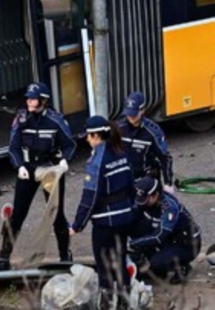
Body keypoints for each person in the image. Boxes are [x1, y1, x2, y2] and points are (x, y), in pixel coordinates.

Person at [0, 82, 77, 263]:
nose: (29, 101)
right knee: (18, 213)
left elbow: (69, 145)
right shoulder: (21, 119)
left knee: (56, 213)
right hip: (28, 169)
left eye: (33, 99)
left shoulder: (56, 120)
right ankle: (4, 255)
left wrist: (65, 160)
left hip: (51, 170)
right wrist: (19, 166)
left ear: (43, 100)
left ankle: (65, 255)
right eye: (28, 98)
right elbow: (13, 146)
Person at [69, 116, 134, 301]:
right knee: (121, 260)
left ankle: (106, 303)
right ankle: (125, 303)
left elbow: (90, 198)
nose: (87, 140)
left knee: (104, 265)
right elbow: (132, 188)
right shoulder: (121, 154)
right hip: (124, 217)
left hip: (105, 222)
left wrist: (77, 225)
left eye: (89, 136)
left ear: (96, 136)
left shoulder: (96, 161)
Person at [129, 177, 200, 284]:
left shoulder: (170, 206)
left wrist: (133, 243)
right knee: (134, 228)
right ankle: (158, 271)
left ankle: (182, 267)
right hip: (170, 238)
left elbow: (159, 236)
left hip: (186, 244)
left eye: (146, 199)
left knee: (157, 262)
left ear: (156, 194)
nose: (142, 203)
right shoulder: (148, 203)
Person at [117, 92, 174, 187]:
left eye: (134, 114)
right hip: (125, 179)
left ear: (142, 110)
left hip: (147, 180)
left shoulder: (153, 132)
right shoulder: (119, 128)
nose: (130, 116)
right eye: (128, 113)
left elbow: (165, 157)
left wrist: (168, 184)